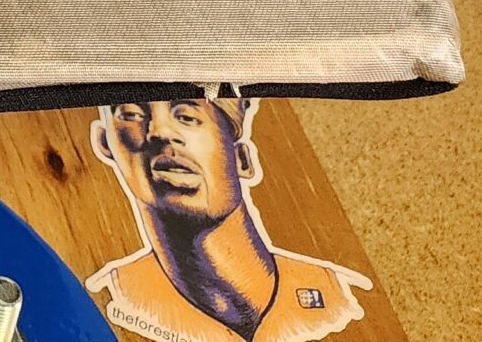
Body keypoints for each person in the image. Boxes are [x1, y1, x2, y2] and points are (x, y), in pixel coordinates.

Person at [86, 95, 371, 342]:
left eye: (186, 116)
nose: (160, 132)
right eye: (132, 115)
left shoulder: (342, 298)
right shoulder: (108, 300)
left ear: (242, 160)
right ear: (105, 143)